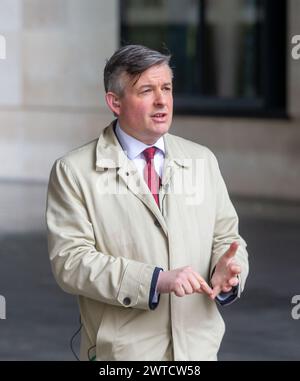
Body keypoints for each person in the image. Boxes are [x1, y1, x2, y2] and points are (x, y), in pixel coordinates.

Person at [46, 44, 249, 361]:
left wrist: (231, 274)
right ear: (115, 102)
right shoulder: (73, 171)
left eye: (166, 88)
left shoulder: (202, 160)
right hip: (124, 354)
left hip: (198, 350)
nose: (162, 101)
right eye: (146, 90)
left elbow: (227, 238)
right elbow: (70, 262)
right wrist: (155, 280)